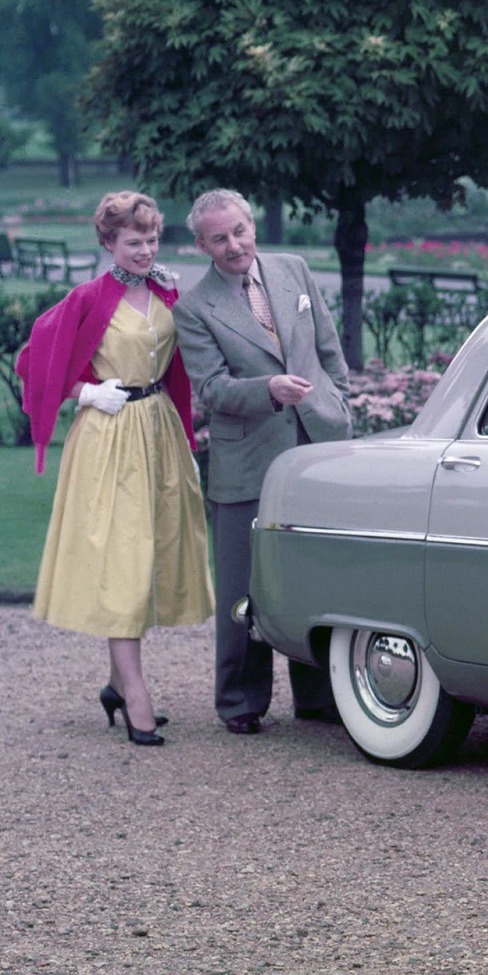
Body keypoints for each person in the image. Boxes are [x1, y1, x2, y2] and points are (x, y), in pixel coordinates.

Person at [19, 191, 214, 747]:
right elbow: (32, 362)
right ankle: (136, 695)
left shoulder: (167, 292)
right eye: (134, 242)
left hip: (157, 432)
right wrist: (83, 392)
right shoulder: (86, 297)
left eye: (152, 240)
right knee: (124, 563)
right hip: (109, 437)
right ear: (108, 243)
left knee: (152, 558)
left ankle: (113, 683)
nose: (146, 250)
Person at [172, 189, 353, 735]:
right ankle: (240, 701)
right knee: (244, 585)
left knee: (316, 574)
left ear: (252, 226)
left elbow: (328, 350)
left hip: (317, 448)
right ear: (201, 245)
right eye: (219, 238)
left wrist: (336, 401)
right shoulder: (194, 306)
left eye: (240, 232)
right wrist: (270, 389)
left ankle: (319, 697)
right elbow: (211, 390)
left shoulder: (293, 269)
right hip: (248, 462)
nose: (234, 246)